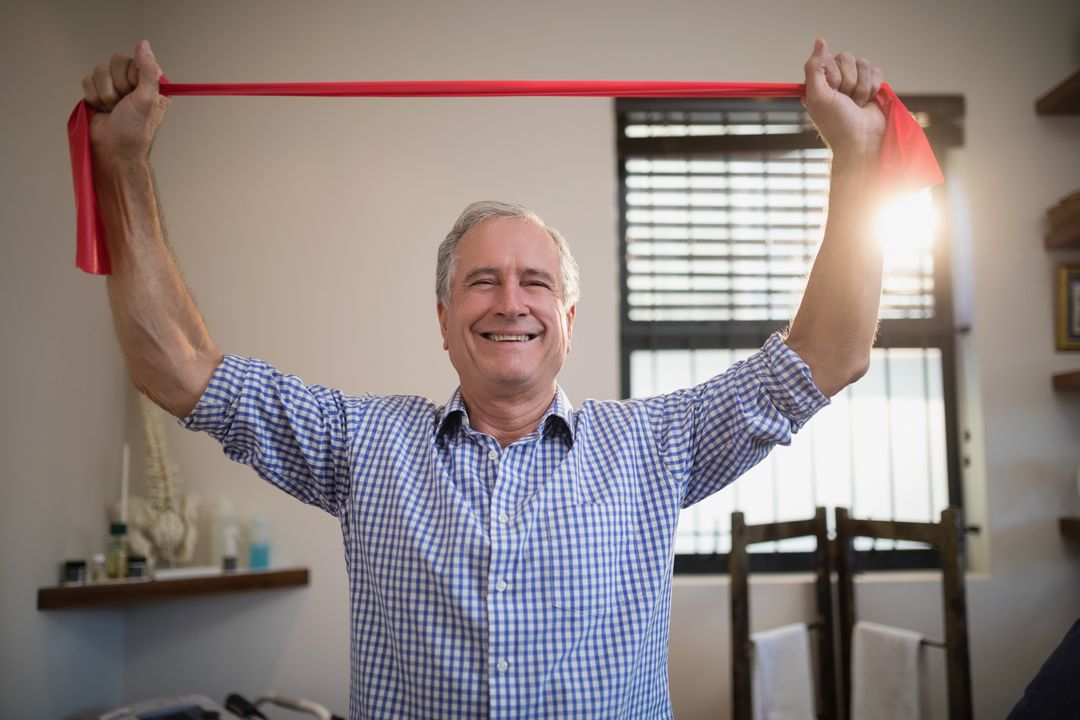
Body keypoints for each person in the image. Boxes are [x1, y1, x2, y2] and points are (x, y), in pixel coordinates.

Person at [82, 38, 887, 720]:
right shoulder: (365, 444)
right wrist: (122, 164)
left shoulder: (653, 446)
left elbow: (828, 356)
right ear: (442, 318)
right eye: (481, 282)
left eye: (536, 282)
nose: (511, 303)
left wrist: (855, 159)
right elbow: (176, 366)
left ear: (568, 318)